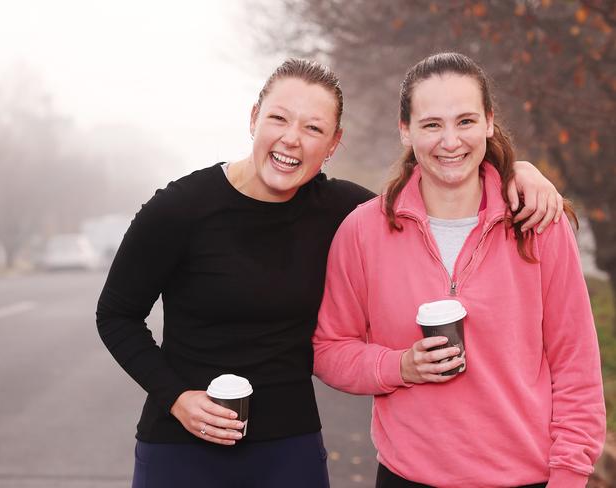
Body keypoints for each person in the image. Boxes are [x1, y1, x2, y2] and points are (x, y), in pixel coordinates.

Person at [96, 58, 565, 488]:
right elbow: (116, 315)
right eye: (278, 118)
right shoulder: (179, 209)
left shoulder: (345, 212)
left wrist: (516, 173)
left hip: (289, 447)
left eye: (313, 127)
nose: (291, 139)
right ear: (254, 117)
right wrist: (176, 397)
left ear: (333, 142)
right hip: (180, 444)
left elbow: (427, 196)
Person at [312, 52, 606, 488]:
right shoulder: (363, 230)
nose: (450, 141)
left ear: (489, 121)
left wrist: (568, 476)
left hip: (527, 479)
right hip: (406, 478)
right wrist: (400, 367)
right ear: (405, 131)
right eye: (432, 124)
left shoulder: (539, 223)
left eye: (465, 121)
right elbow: (329, 349)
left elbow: (576, 368)